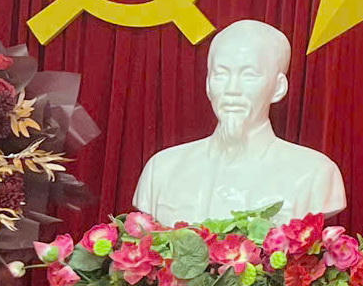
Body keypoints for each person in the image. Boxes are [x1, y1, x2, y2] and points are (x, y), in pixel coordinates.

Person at [133, 19, 344, 226]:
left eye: (249, 75)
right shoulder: (162, 169)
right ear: (208, 84)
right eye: (221, 74)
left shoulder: (315, 174)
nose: (232, 89)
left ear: (278, 87)